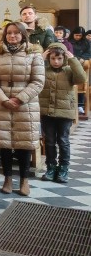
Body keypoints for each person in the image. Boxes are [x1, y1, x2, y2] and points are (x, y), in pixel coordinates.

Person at [0, 21, 44, 197]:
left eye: (16, 33)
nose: (12, 36)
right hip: (1, 103)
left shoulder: (34, 54)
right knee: (4, 144)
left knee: (23, 144)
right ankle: (7, 179)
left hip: (26, 104)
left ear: (23, 35)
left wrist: (19, 99)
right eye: (9, 33)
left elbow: (38, 81)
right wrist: (4, 99)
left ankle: (24, 181)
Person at [39, 43, 86, 183]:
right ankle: (51, 167)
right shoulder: (43, 69)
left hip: (65, 112)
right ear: (49, 58)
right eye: (53, 58)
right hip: (47, 111)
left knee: (63, 141)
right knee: (49, 141)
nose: (56, 62)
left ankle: (63, 168)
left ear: (64, 58)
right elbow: (30, 73)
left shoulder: (69, 70)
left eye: (59, 58)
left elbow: (82, 78)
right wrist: (40, 59)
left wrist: (73, 59)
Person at [70, 26, 91, 114]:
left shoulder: (86, 42)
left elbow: (89, 52)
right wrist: (77, 58)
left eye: (80, 36)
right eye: (76, 35)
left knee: (81, 83)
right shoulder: (69, 41)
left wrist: (83, 58)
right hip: (70, 64)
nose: (78, 37)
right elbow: (68, 51)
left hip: (82, 66)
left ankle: (80, 105)